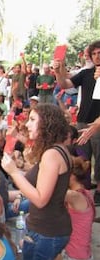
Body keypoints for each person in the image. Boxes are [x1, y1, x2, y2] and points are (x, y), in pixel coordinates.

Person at [1, 103, 100, 260]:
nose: (27, 125)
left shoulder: (51, 155)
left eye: (32, 120)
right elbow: (38, 182)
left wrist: (13, 172)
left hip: (46, 232)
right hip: (51, 228)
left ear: (46, 124)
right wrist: (18, 174)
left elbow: (40, 199)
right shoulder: (56, 150)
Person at [53, 40, 100, 204]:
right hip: (82, 123)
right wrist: (59, 71)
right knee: (82, 158)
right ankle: (83, 192)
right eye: (94, 53)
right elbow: (65, 84)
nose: (97, 56)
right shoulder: (86, 73)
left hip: (98, 124)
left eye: (99, 53)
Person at [53, 156, 95, 260]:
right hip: (83, 253)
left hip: (73, 257)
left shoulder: (73, 196)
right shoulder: (86, 192)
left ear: (71, 176)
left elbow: (49, 192)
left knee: (31, 248)